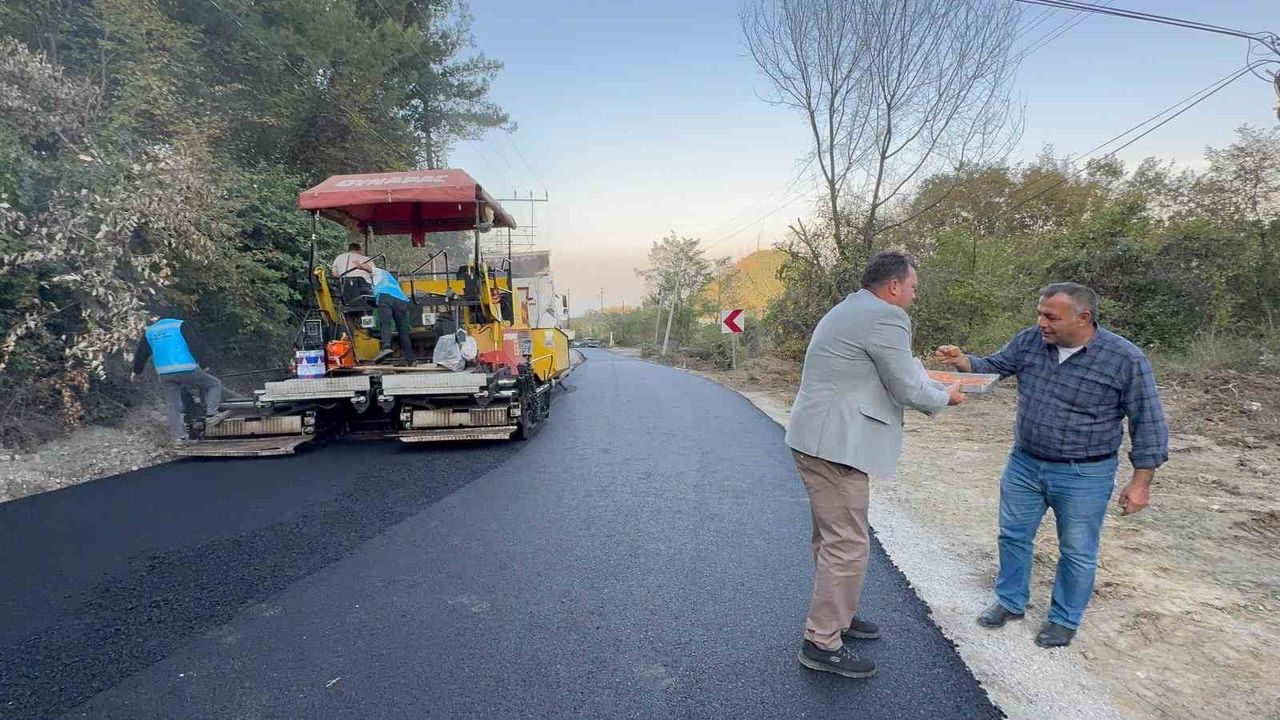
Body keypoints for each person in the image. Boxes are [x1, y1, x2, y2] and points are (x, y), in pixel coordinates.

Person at [935, 282, 1168, 648]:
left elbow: (1148, 421)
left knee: (1077, 550)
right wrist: (963, 361)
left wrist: (1141, 482)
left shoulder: (1125, 359)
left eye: (1051, 317)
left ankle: (1064, 619)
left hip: (1085, 473)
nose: (1041, 323)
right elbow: (994, 367)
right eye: (1040, 314)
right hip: (1025, 464)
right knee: (1013, 535)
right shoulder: (1030, 341)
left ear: (1083, 318)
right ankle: (1010, 601)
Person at [785, 251, 965, 679]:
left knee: (833, 538)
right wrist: (945, 396)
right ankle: (822, 641)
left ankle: (839, 617)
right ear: (894, 286)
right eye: (914, 287)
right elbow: (907, 387)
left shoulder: (852, 308)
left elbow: (894, 371)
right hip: (835, 445)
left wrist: (928, 384)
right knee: (847, 543)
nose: (915, 295)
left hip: (818, 437)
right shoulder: (886, 317)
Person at [131, 317, 229, 443]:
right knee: (214, 384)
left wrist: (136, 372)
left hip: (165, 373)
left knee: (173, 405)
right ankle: (211, 414)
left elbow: (141, 353)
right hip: (187, 369)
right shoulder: (180, 325)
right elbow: (195, 345)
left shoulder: (150, 330)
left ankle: (178, 438)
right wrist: (204, 365)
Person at [371, 267, 416, 364]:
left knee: (385, 323)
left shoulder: (380, 273)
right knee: (403, 331)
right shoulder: (393, 281)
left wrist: (360, 266)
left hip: (385, 297)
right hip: (401, 300)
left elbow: (369, 269)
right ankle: (411, 360)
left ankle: (386, 347)